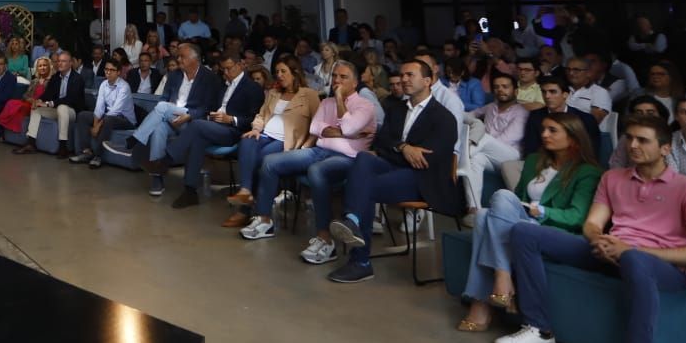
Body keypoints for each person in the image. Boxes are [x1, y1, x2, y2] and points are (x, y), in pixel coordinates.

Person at [498, 115, 686, 343]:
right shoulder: (613, 177)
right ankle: (539, 330)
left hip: (661, 267)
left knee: (634, 259)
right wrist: (598, 239)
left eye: (643, 140)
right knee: (524, 232)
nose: (633, 145)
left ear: (665, 148)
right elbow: (592, 223)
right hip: (611, 253)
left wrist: (631, 250)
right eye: (630, 138)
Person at [456, 112, 601, 332]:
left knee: (496, 205)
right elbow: (518, 198)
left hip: (548, 229)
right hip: (521, 222)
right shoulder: (535, 160)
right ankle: (501, 283)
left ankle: (486, 298)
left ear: (573, 138)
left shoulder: (587, 172)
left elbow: (576, 217)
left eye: (553, 130)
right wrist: (525, 209)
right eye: (543, 129)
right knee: (486, 213)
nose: (544, 134)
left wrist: (542, 211)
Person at [323, 59, 463, 282]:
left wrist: (398, 150)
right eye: (402, 74)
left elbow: (428, 160)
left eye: (410, 75)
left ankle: (360, 260)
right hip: (396, 167)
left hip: (425, 180)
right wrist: (404, 148)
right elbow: (383, 141)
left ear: (427, 81)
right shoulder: (396, 109)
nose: (404, 79)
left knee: (364, 187)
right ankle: (353, 220)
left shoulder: (443, 117)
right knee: (363, 159)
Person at [234, 59, 362, 240]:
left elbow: (344, 129)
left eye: (283, 71)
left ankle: (250, 210)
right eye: (277, 71)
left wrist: (315, 138)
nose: (279, 75)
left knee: (265, 160)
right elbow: (316, 127)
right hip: (293, 142)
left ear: (294, 73)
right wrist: (256, 128)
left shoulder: (315, 96)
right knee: (247, 142)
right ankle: (253, 205)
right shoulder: (277, 94)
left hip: (295, 142)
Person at [157, 54, 266, 208]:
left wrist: (231, 119)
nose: (226, 73)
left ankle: (167, 159)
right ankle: (190, 191)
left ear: (240, 65)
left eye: (229, 68)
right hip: (214, 126)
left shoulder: (252, 88)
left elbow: (255, 118)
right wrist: (212, 116)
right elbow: (211, 108)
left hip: (234, 131)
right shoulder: (223, 86)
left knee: (196, 125)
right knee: (197, 139)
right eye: (223, 70)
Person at [115, 44, 221, 197]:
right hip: (171, 117)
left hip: (192, 121)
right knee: (159, 128)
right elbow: (164, 98)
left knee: (163, 107)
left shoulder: (209, 78)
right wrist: (167, 112)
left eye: (182, 56)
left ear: (194, 59)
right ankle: (157, 177)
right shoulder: (175, 75)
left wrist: (190, 115)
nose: (178, 59)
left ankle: (135, 139)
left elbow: (210, 108)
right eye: (178, 56)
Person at [463, 73, 531, 213]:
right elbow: (470, 115)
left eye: (505, 87)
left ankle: (459, 158)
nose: (500, 90)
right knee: (475, 160)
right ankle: (474, 208)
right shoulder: (491, 107)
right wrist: (456, 114)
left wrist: (476, 136)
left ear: (516, 91)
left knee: (483, 137)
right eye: (496, 87)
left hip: (510, 156)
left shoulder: (521, 112)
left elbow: (507, 139)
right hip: (487, 153)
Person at [18, 50, 86, 157]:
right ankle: (31, 143)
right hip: (56, 109)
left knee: (62, 107)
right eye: (59, 61)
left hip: (72, 112)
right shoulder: (56, 77)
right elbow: (47, 94)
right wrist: (39, 101)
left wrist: (49, 103)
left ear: (70, 63)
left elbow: (70, 99)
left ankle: (63, 147)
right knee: (36, 108)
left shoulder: (77, 78)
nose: (60, 63)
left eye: (63, 61)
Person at [71, 60, 137, 166]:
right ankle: (86, 152)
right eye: (106, 69)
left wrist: (97, 126)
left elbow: (115, 111)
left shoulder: (124, 87)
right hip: (108, 117)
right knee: (83, 115)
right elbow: (99, 107)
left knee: (108, 120)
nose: (108, 72)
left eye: (112, 70)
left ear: (118, 72)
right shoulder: (103, 84)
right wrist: (95, 122)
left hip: (125, 120)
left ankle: (98, 156)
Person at [0, 55, 52, 137]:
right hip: (30, 102)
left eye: (45, 65)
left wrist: (37, 102)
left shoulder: (52, 81)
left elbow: (51, 97)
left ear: (49, 67)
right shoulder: (34, 81)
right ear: (37, 68)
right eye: (40, 66)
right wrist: (30, 99)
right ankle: (1, 125)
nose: (42, 68)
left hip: (40, 106)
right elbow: (25, 95)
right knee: (11, 102)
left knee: (18, 107)